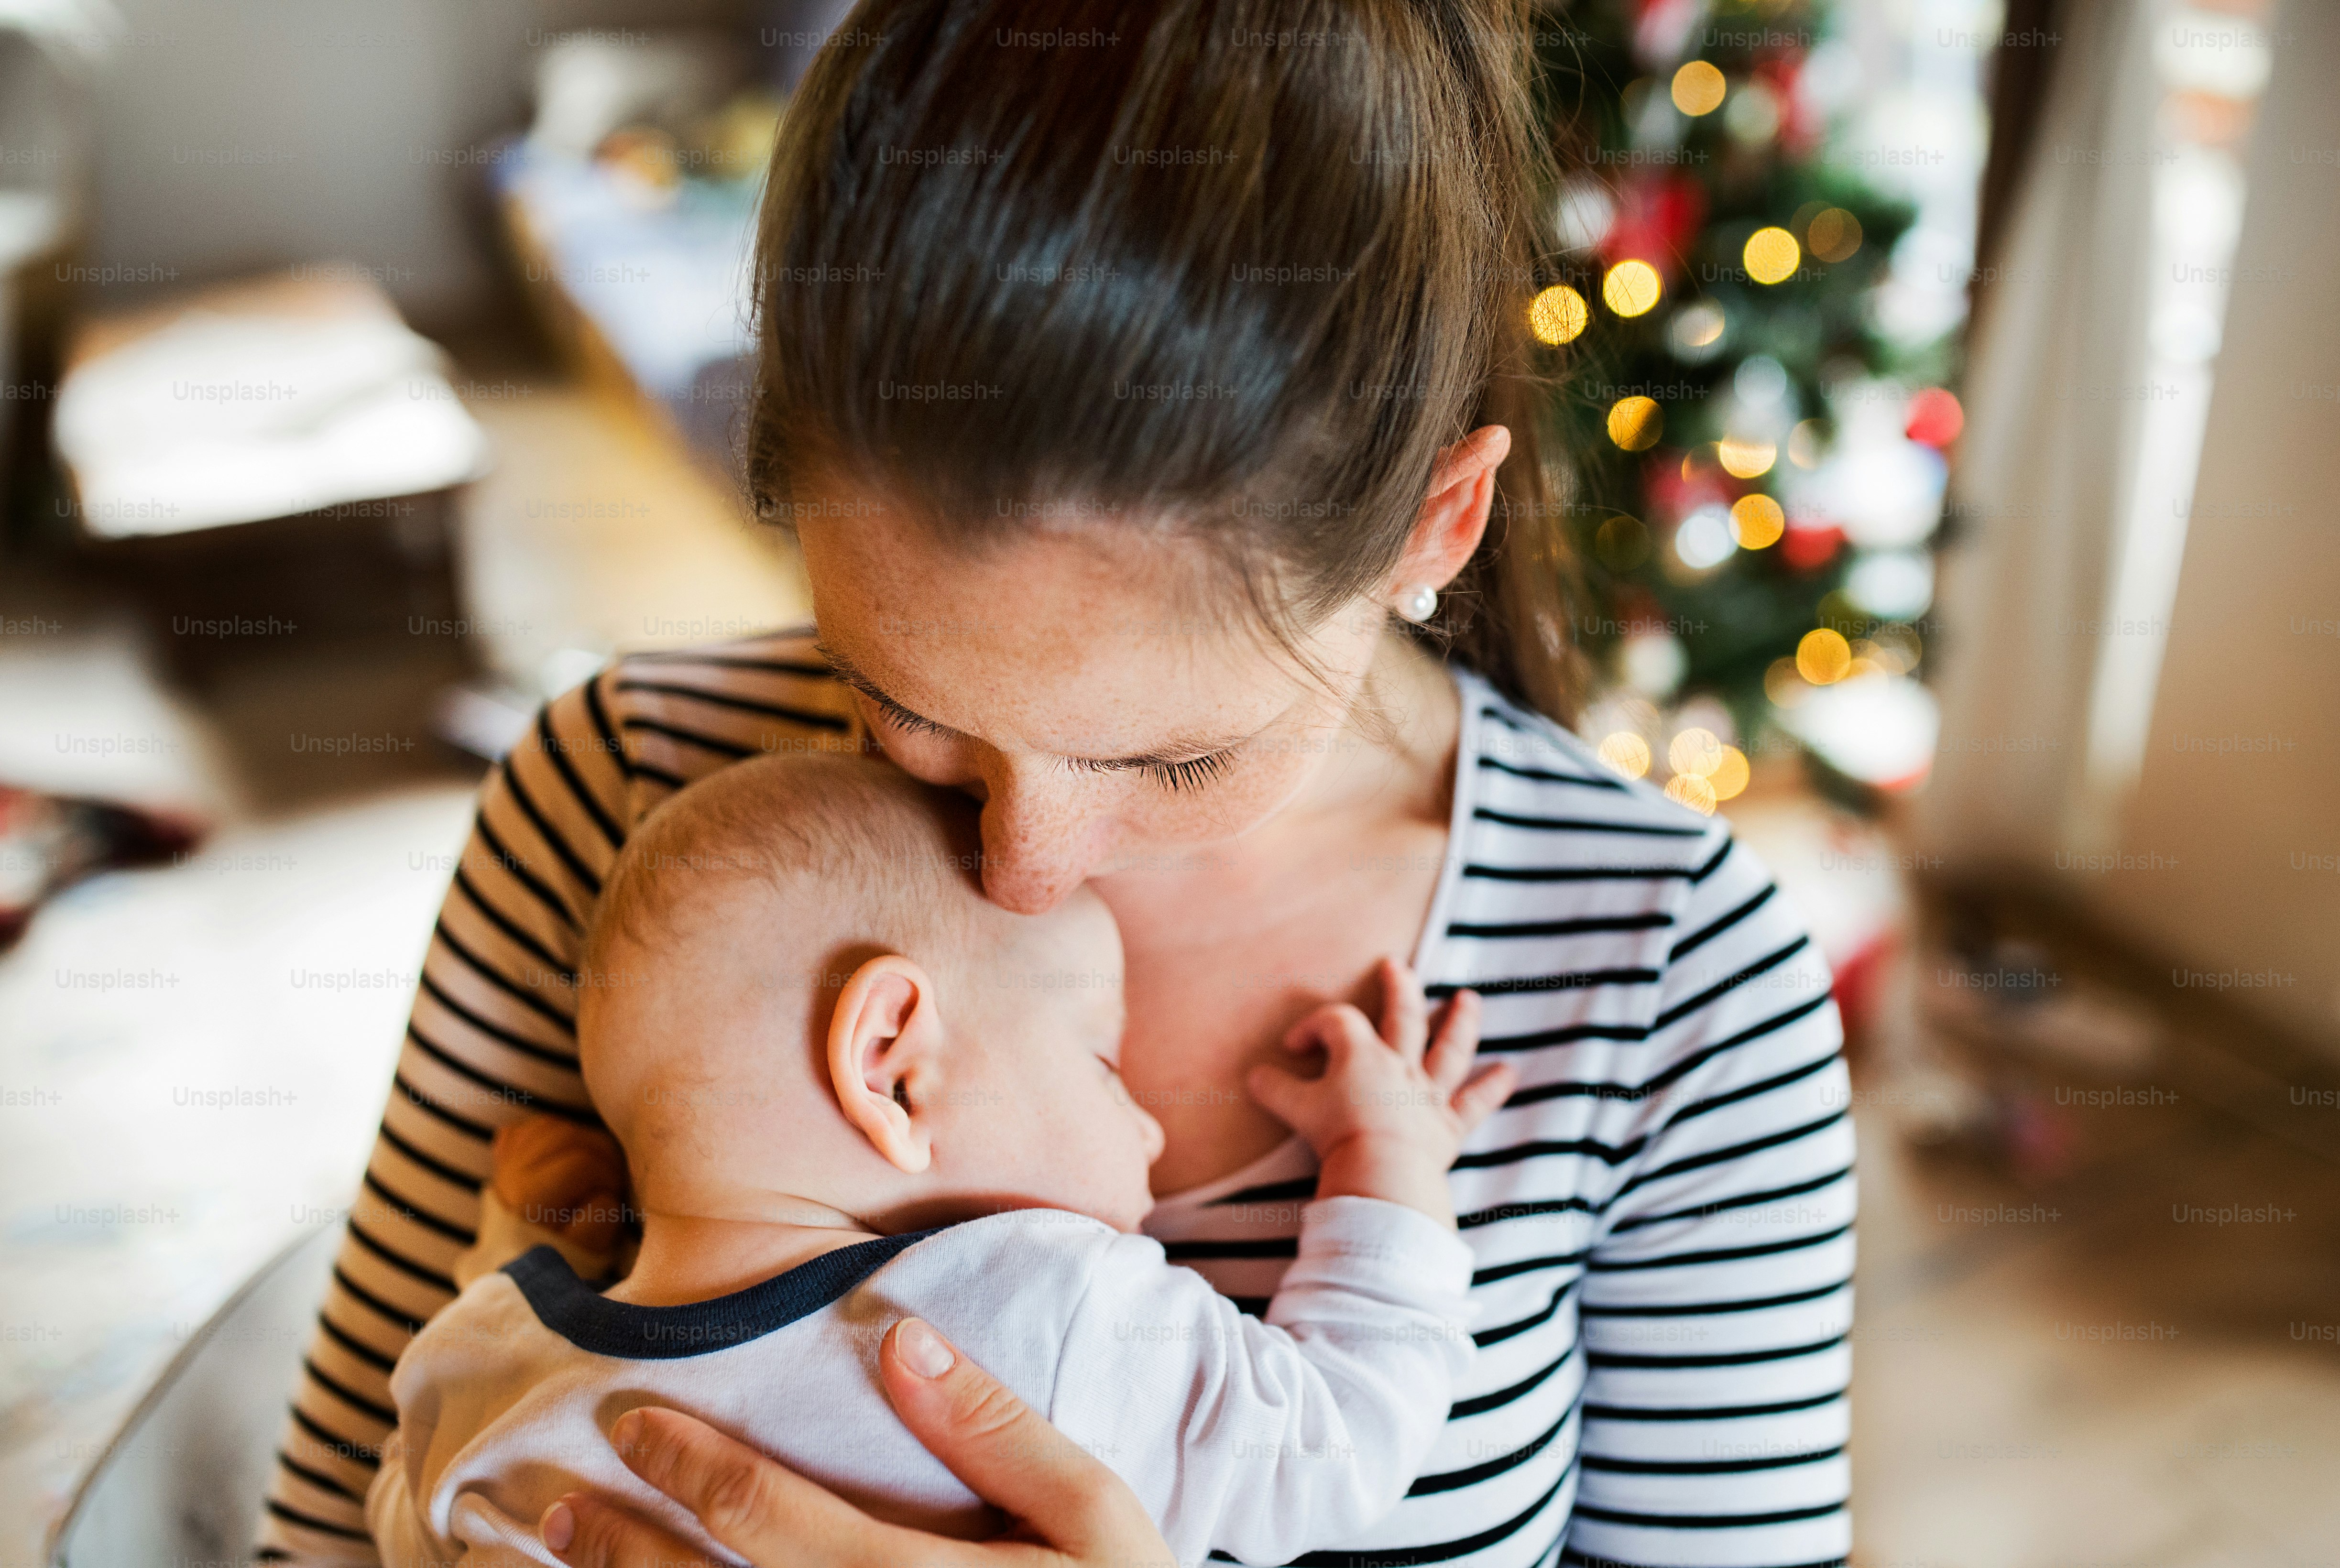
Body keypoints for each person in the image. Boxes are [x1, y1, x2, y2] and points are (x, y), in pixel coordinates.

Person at [260, 1, 1856, 1564]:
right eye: (900, 707)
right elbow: (335, 1521)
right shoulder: (622, 796)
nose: (1021, 868)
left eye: (1173, 757)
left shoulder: (1681, 988)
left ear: (1432, 527)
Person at [366, 753, 1515, 1566]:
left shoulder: (477, 1357)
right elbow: (1335, 1443)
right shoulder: (1047, 1309)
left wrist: (515, 1251)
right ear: (894, 1066)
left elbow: (394, 1525)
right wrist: (1387, 1155)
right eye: (1102, 1060)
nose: (1150, 1130)